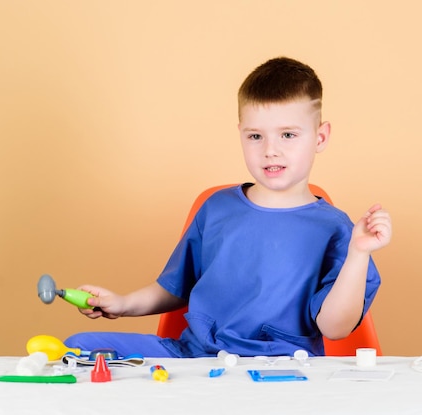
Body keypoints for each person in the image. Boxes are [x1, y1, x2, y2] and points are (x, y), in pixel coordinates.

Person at [65, 56, 392, 358]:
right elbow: (174, 287)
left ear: (320, 138)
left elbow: (334, 328)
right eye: (255, 137)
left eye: (288, 135)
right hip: (194, 355)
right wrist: (121, 304)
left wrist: (358, 254)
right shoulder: (217, 208)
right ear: (240, 135)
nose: (270, 151)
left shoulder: (335, 230)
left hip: (279, 366)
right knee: (78, 348)